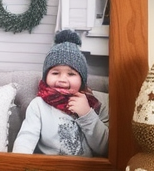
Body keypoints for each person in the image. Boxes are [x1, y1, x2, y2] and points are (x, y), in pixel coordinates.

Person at [12, 29, 108, 157]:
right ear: (46, 77)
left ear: (82, 80)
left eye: (71, 74)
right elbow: (26, 138)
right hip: (50, 170)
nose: (62, 80)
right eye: (55, 73)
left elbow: (105, 148)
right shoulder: (39, 105)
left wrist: (86, 114)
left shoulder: (95, 104)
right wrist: (19, 163)